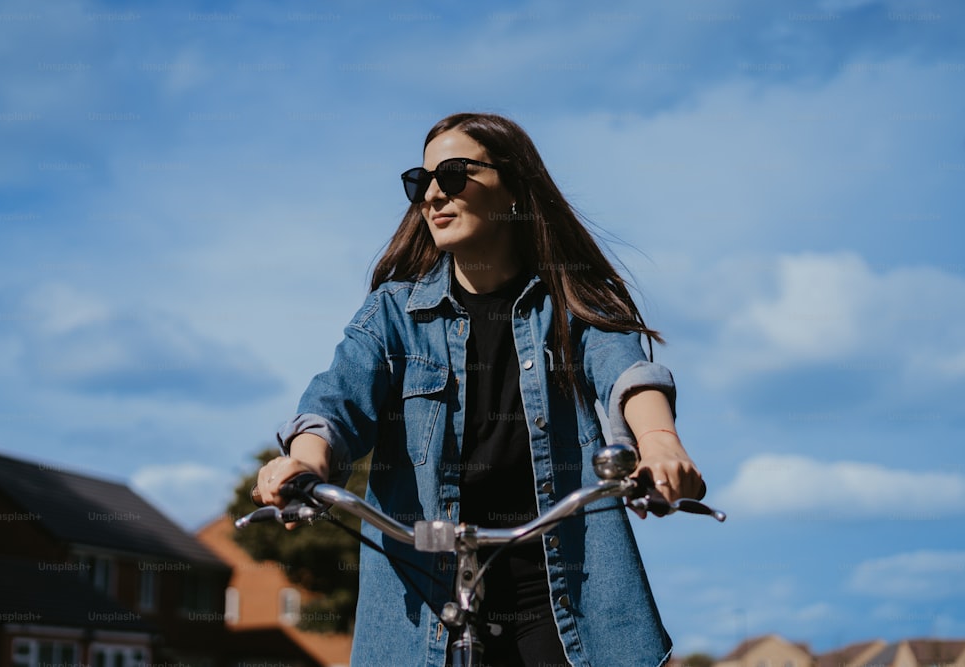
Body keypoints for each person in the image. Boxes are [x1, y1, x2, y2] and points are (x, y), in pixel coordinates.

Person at [255, 112, 705, 667]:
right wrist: (304, 465)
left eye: (453, 174)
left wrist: (659, 443)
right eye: (420, 183)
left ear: (514, 186)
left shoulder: (571, 299)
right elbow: (337, 400)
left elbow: (626, 372)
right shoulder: (394, 314)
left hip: (562, 595)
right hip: (425, 598)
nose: (432, 197)